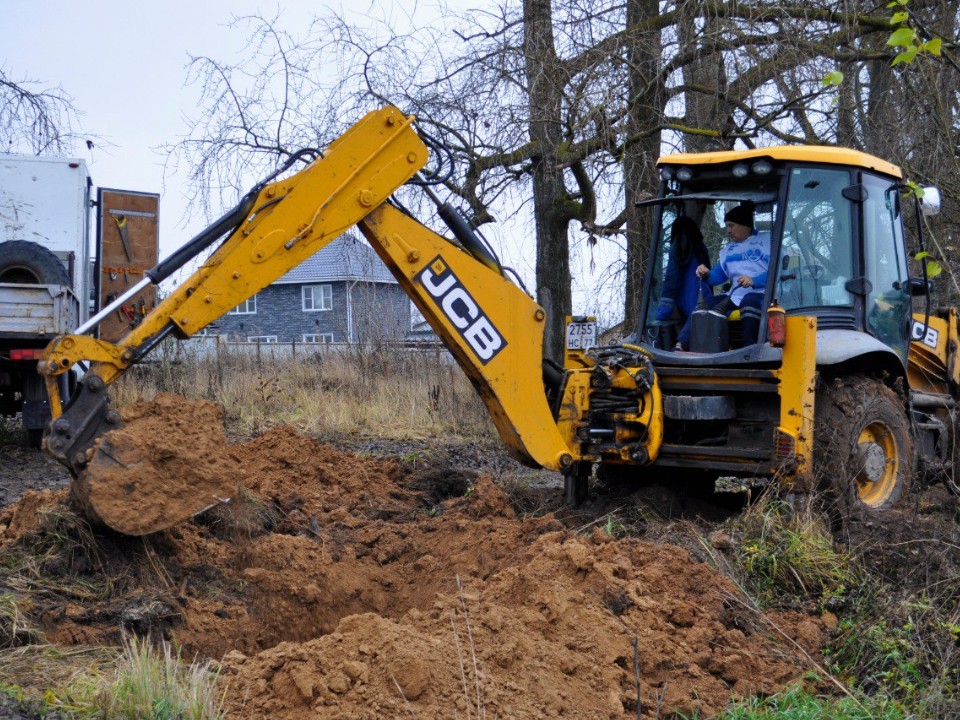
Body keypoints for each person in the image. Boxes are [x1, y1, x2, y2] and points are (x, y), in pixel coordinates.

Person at [675, 203, 770, 351]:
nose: (728, 231)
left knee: (749, 301)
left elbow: (779, 271)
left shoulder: (768, 241)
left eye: (731, 226)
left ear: (744, 224)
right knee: (705, 305)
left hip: (763, 295)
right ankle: (681, 345)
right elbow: (718, 276)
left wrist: (754, 281)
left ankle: (750, 349)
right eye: (727, 226)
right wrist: (706, 274)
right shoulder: (728, 250)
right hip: (734, 295)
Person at [655, 216, 710, 330]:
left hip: (692, 315)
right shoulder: (700, 249)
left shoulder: (677, 246)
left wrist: (663, 311)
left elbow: (671, 278)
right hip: (703, 313)